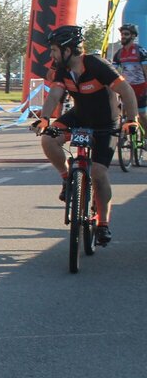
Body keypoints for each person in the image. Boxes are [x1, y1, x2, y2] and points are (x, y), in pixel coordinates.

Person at [33, 24, 138, 246]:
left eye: (54, 50)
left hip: (106, 123)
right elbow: (55, 95)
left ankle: (103, 223)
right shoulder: (62, 69)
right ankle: (67, 179)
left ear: (68, 50)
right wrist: (45, 119)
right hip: (79, 117)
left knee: (98, 173)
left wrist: (131, 120)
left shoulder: (97, 65)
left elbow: (127, 90)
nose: (51, 55)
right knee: (48, 139)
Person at [110, 22, 147, 134]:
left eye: (126, 34)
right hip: (127, 88)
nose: (123, 36)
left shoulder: (140, 51)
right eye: (122, 34)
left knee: (141, 114)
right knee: (125, 113)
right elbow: (113, 72)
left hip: (141, 88)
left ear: (133, 36)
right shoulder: (119, 53)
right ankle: (125, 136)